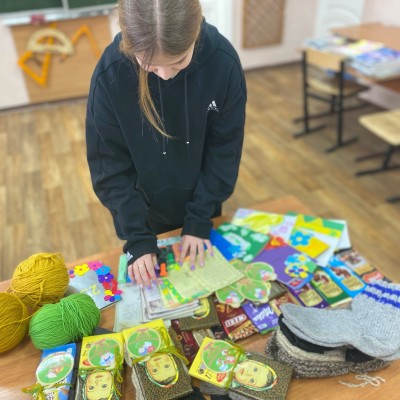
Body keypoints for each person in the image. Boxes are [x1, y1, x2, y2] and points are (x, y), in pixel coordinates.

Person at [86, 0, 247, 288]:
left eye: (178, 61)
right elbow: (109, 167)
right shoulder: (110, 75)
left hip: (204, 201)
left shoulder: (223, 63)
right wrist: (137, 237)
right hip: (143, 207)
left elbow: (225, 151)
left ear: (194, 35)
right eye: (149, 65)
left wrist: (199, 219)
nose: (165, 75)